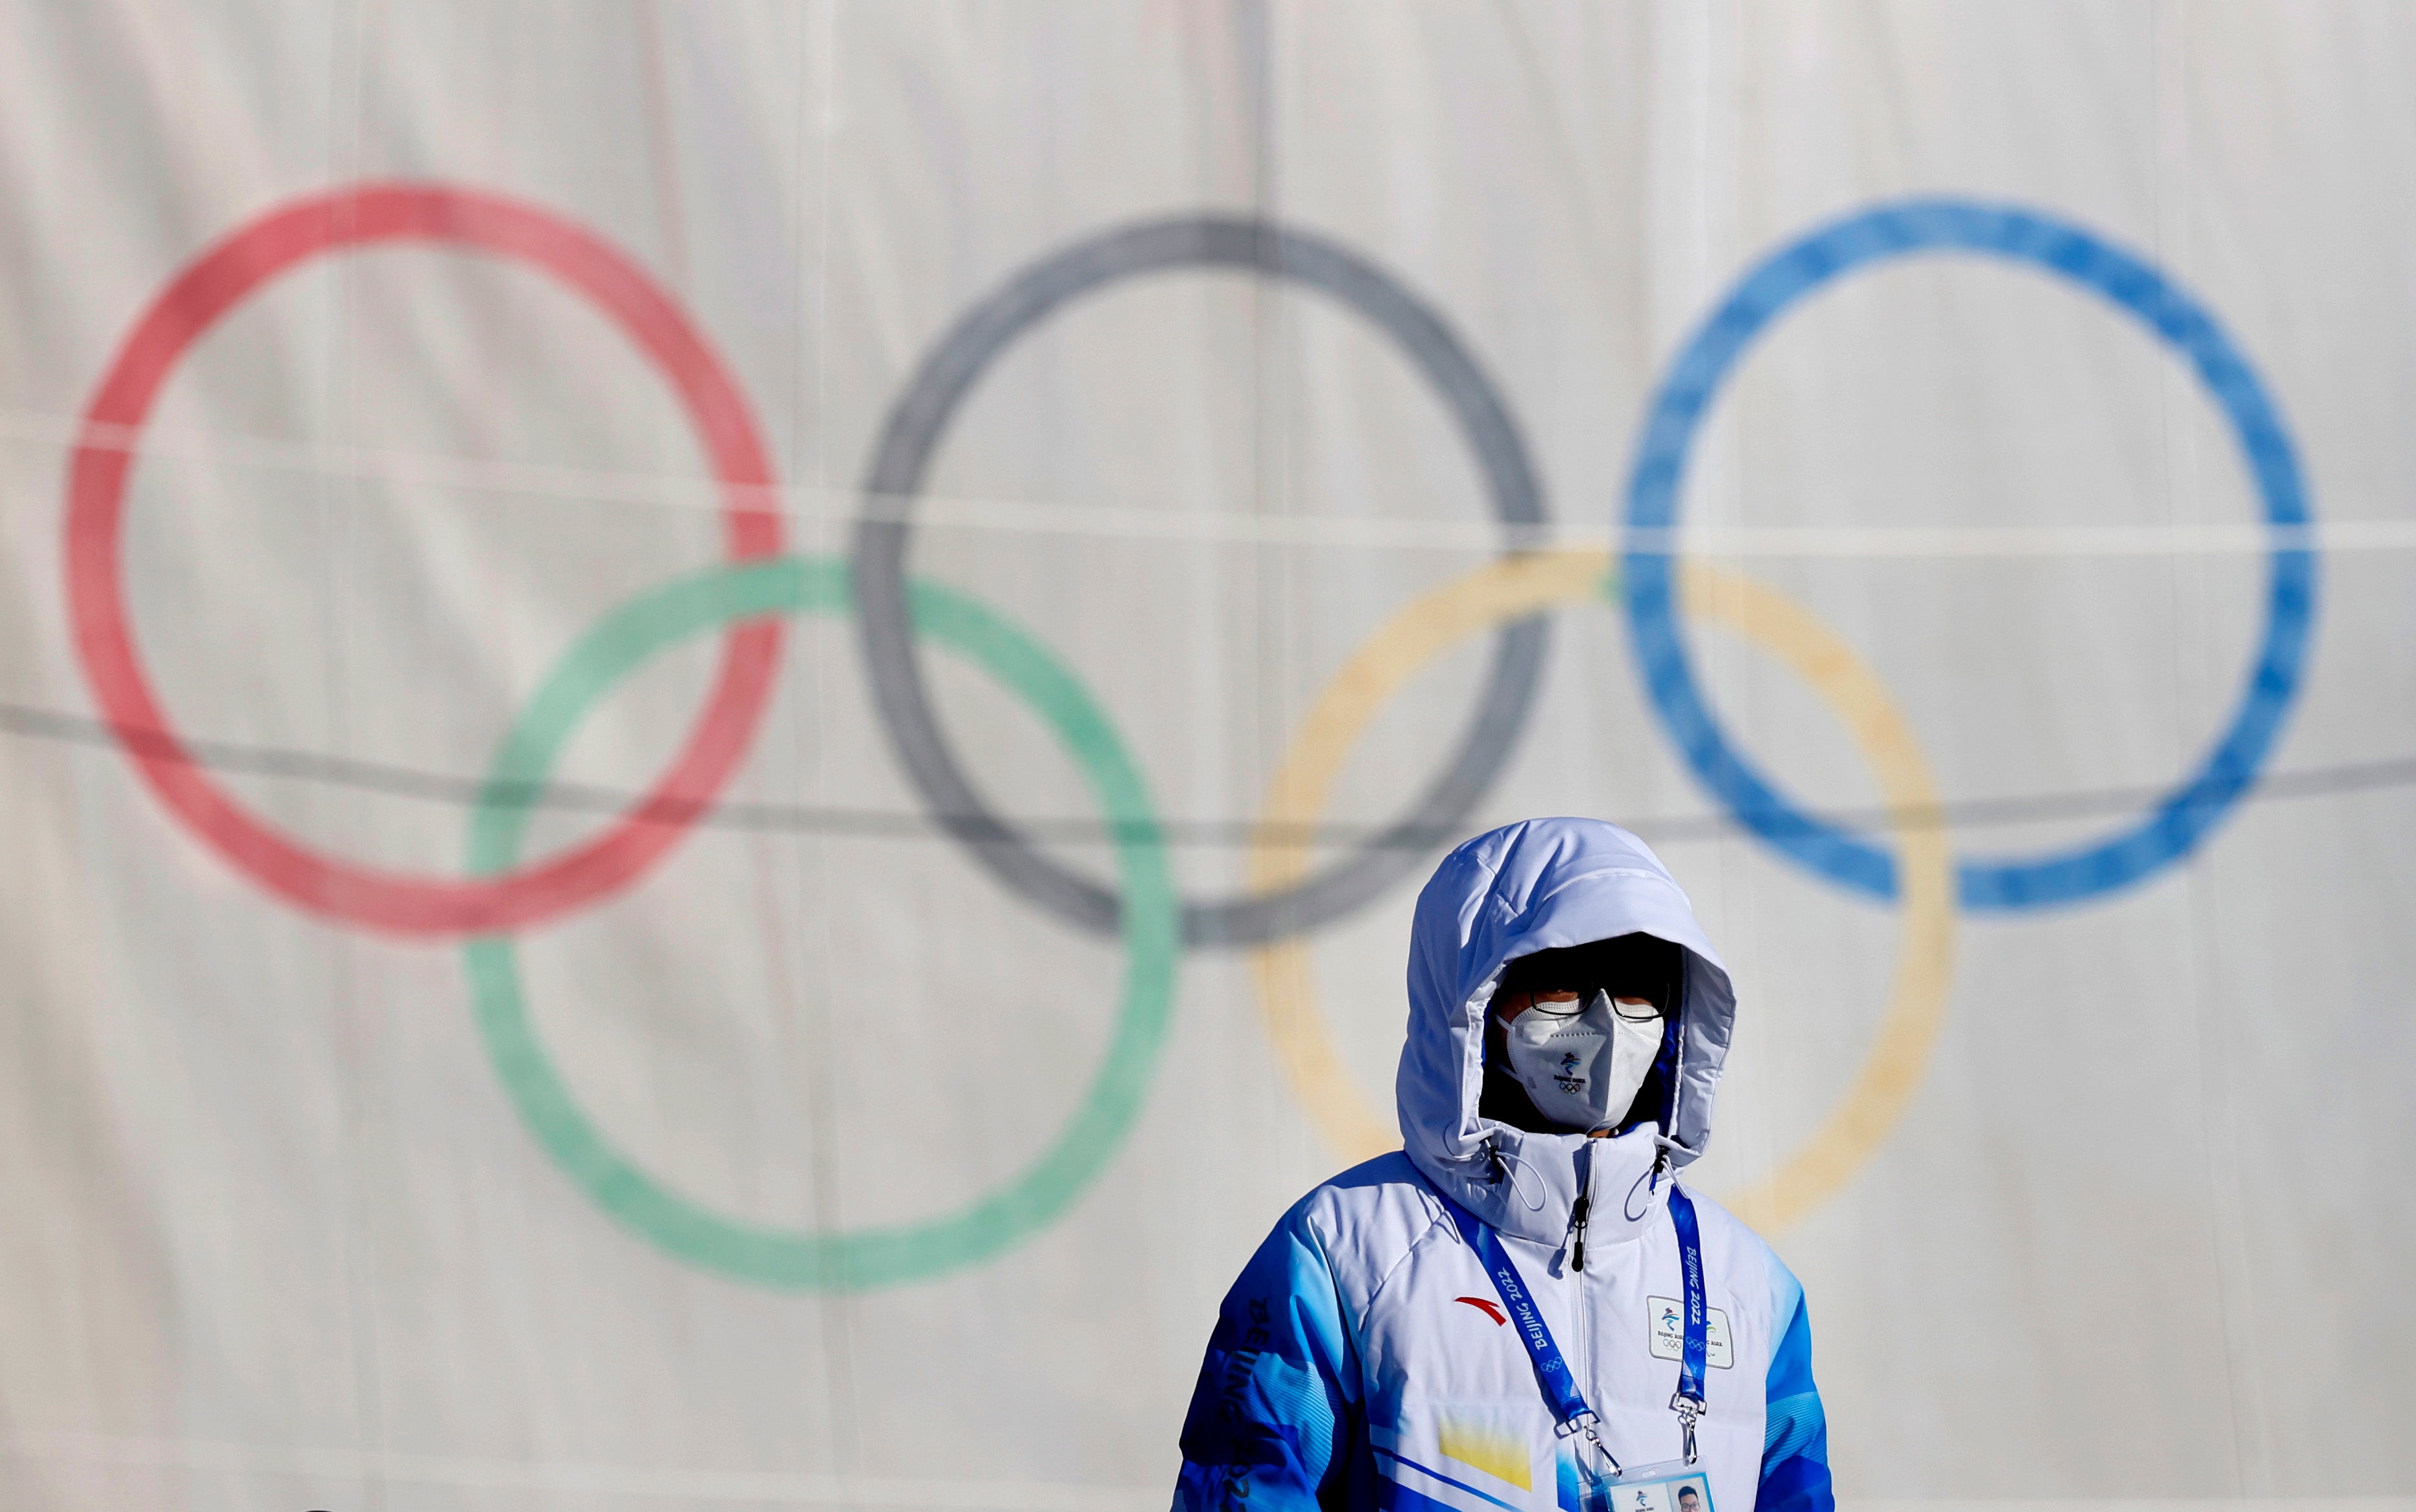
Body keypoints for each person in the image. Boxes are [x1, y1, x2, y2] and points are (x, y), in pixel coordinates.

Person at [1172, 818, 1831, 1512]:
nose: (1605, 1020)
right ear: (1472, 1000)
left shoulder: (1750, 1284)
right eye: (1561, 983)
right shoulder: (1341, 1251)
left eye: (1638, 985)